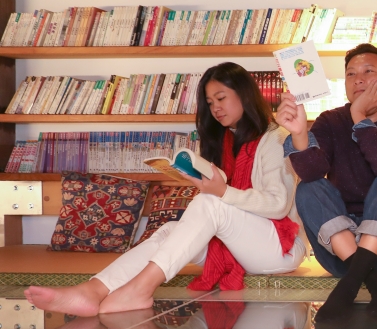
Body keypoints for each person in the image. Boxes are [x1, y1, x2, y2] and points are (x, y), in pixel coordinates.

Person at [24, 63, 305, 315]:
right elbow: (223, 209)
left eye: (221, 98)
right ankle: (93, 290)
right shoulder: (224, 142)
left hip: (280, 248)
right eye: (210, 103)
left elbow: (278, 204)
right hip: (237, 245)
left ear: (244, 95)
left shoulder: (275, 137)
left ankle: (142, 288)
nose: (215, 108)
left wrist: (221, 192)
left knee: (210, 204)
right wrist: (205, 185)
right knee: (169, 230)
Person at [276, 43, 377, 322]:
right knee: (308, 187)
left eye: (369, 71)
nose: (358, 79)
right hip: (339, 252)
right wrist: (299, 134)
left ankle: (348, 288)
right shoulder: (330, 121)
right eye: (351, 74)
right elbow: (311, 172)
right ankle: (372, 282)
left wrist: (359, 116)